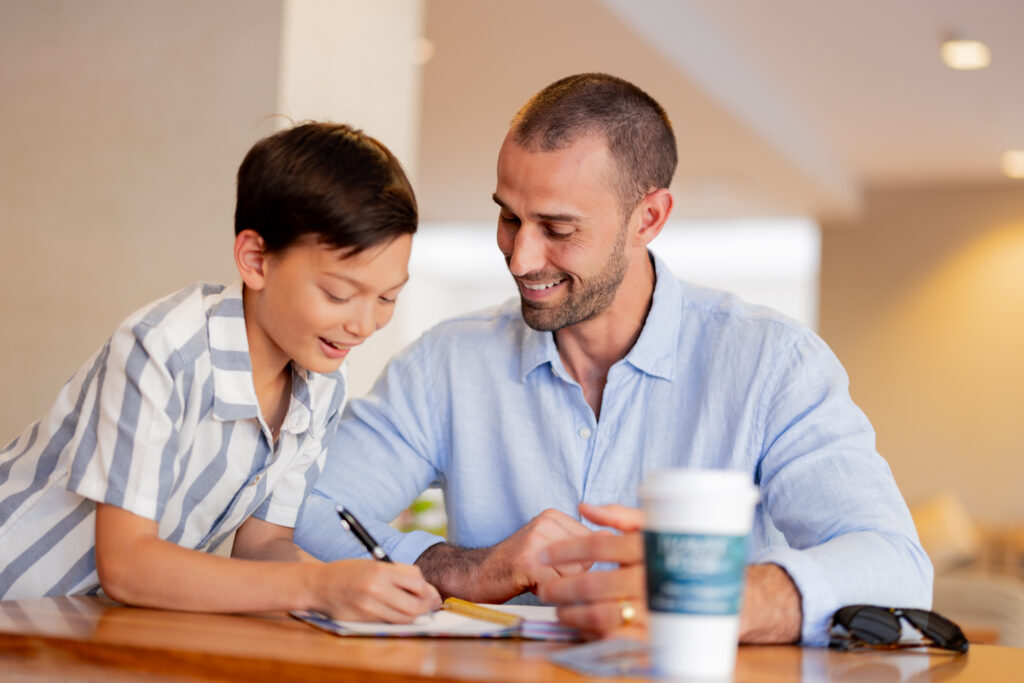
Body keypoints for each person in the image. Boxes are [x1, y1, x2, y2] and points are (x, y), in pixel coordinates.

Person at [294, 74, 932, 645]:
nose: (520, 258)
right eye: (508, 218)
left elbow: (897, 565)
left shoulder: (773, 365)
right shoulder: (447, 362)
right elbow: (305, 514)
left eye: (559, 229)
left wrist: (720, 597)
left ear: (648, 217)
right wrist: (464, 567)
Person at [0, 122, 440, 622]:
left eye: (387, 297)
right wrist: (317, 584)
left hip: (88, 632)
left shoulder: (321, 386)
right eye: (339, 295)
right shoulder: (163, 349)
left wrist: (352, 586)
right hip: (13, 601)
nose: (365, 325)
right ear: (256, 260)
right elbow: (126, 564)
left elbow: (264, 544)